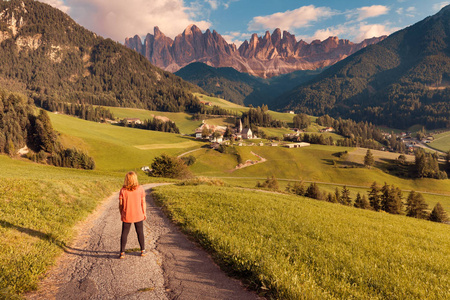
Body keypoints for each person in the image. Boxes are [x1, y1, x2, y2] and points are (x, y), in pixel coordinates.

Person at [118, 171, 147, 259]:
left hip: (127, 214)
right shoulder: (140, 189)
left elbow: (120, 204)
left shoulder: (123, 190)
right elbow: (143, 202)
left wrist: (121, 213)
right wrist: (144, 213)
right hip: (138, 214)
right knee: (140, 232)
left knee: (124, 233)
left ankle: (122, 252)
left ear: (126, 179)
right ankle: (143, 250)